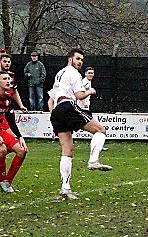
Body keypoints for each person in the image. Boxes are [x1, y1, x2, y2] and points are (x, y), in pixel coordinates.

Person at [47, 48, 112, 200]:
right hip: (67, 106)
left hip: (57, 111)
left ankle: (65, 189)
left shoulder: (59, 74)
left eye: (82, 60)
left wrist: (54, 123)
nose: (80, 62)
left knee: (67, 150)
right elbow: (79, 95)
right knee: (100, 130)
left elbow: (50, 100)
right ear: (70, 59)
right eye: (78, 59)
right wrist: (91, 92)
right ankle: (93, 160)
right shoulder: (73, 73)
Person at [77, 66, 108, 151]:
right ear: (85, 73)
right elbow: (80, 93)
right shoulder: (84, 82)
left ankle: (97, 144)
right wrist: (84, 103)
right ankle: (98, 145)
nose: (91, 75)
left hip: (84, 107)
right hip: (82, 108)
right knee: (94, 127)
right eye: (89, 73)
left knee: (89, 127)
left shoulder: (88, 82)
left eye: (92, 73)